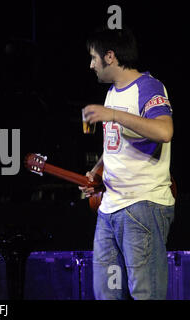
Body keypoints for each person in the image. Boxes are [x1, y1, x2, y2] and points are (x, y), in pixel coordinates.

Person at [79, 27, 175, 300]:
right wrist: (97, 172)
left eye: (93, 57)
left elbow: (164, 131)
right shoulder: (113, 92)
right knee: (106, 294)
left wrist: (112, 114)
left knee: (146, 294)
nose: (91, 65)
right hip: (109, 209)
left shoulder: (148, 86)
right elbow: (117, 144)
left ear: (110, 56)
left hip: (142, 205)